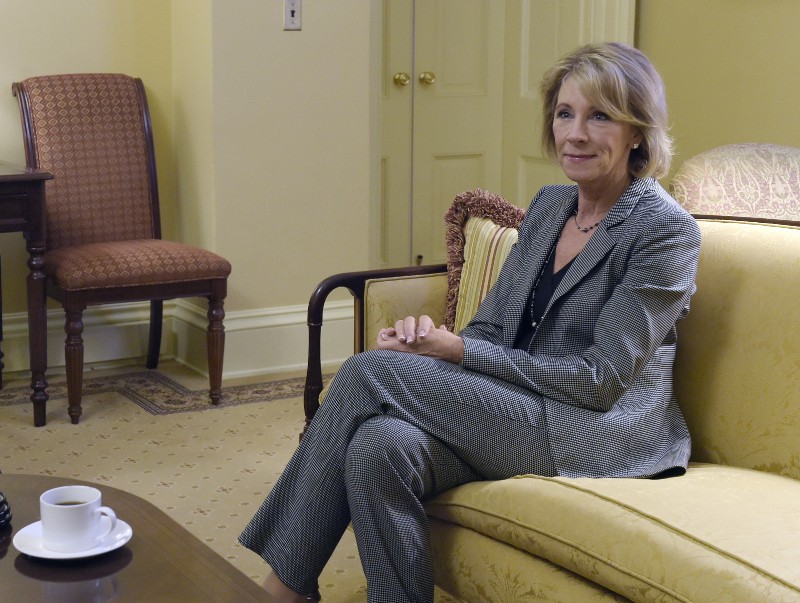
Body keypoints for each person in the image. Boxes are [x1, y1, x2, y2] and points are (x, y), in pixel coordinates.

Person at [239, 41, 701, 603]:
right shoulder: (552, 205)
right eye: (564, 113)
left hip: (600, 432)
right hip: (521, 407)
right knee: (379, 445)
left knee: (364, 374)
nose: (575, 133)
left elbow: (599, 382)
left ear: (638, 132)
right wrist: (423, 351)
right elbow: (487, 331)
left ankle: (283, 588)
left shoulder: (664, 229)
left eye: (599, 116)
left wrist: (454, 354)